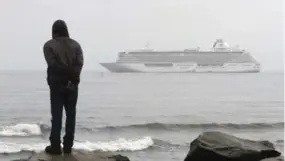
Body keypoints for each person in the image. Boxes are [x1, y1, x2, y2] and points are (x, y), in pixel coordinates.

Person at [43, 20, 83, 155]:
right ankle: (68, 146)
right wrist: (72, 77)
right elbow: (79, 64)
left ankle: (55, 146)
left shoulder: (48, 46)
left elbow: (53, 64)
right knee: (71, 115)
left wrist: (65, 76)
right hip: (73, 85)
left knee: (57, 115)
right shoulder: (76, 45)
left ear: (54, 31)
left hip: (56, 85)